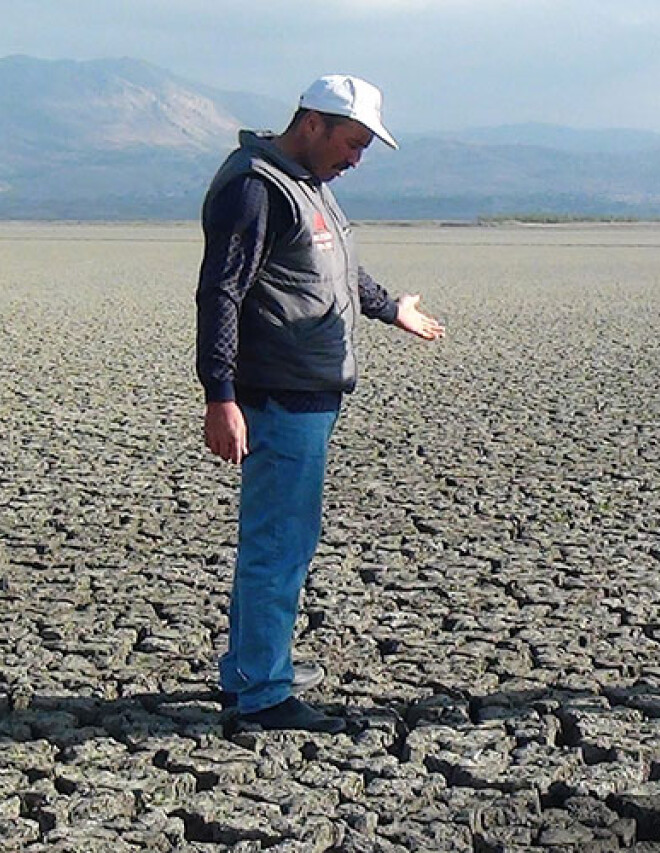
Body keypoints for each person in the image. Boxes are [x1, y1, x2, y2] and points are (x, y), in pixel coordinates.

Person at [195, 75, 445, 732]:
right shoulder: (256, 187)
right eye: (353, 142)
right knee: (278, 542)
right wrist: (219, 394)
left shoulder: (309, 187)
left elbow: (335, 269)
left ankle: (253, 666)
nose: (357, 158)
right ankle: (263, 693)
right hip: (277, 395)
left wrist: (392, 309)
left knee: (287, 538)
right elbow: (220, 292)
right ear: (312, 123)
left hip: (308, 394)